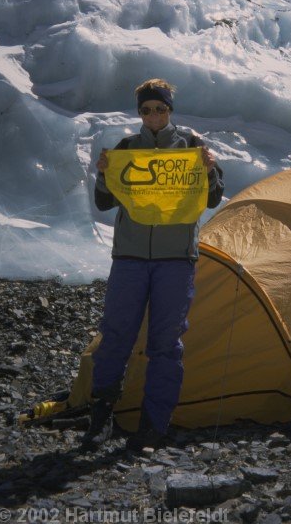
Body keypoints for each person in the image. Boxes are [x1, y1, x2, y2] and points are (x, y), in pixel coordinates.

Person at [82, 78, 224, 452]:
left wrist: (209, 169)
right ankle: (101, 418)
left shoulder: (193, 148)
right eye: (146, 110)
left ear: (169, 109)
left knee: (166, 343)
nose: (153, 115)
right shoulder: (127, 148)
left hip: (176, 259)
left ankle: (153, 424)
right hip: (129, 257)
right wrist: (103, 172)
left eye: (159, 108)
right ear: (140, 113)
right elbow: (104, 203)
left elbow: (212, 199)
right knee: (115, 337)